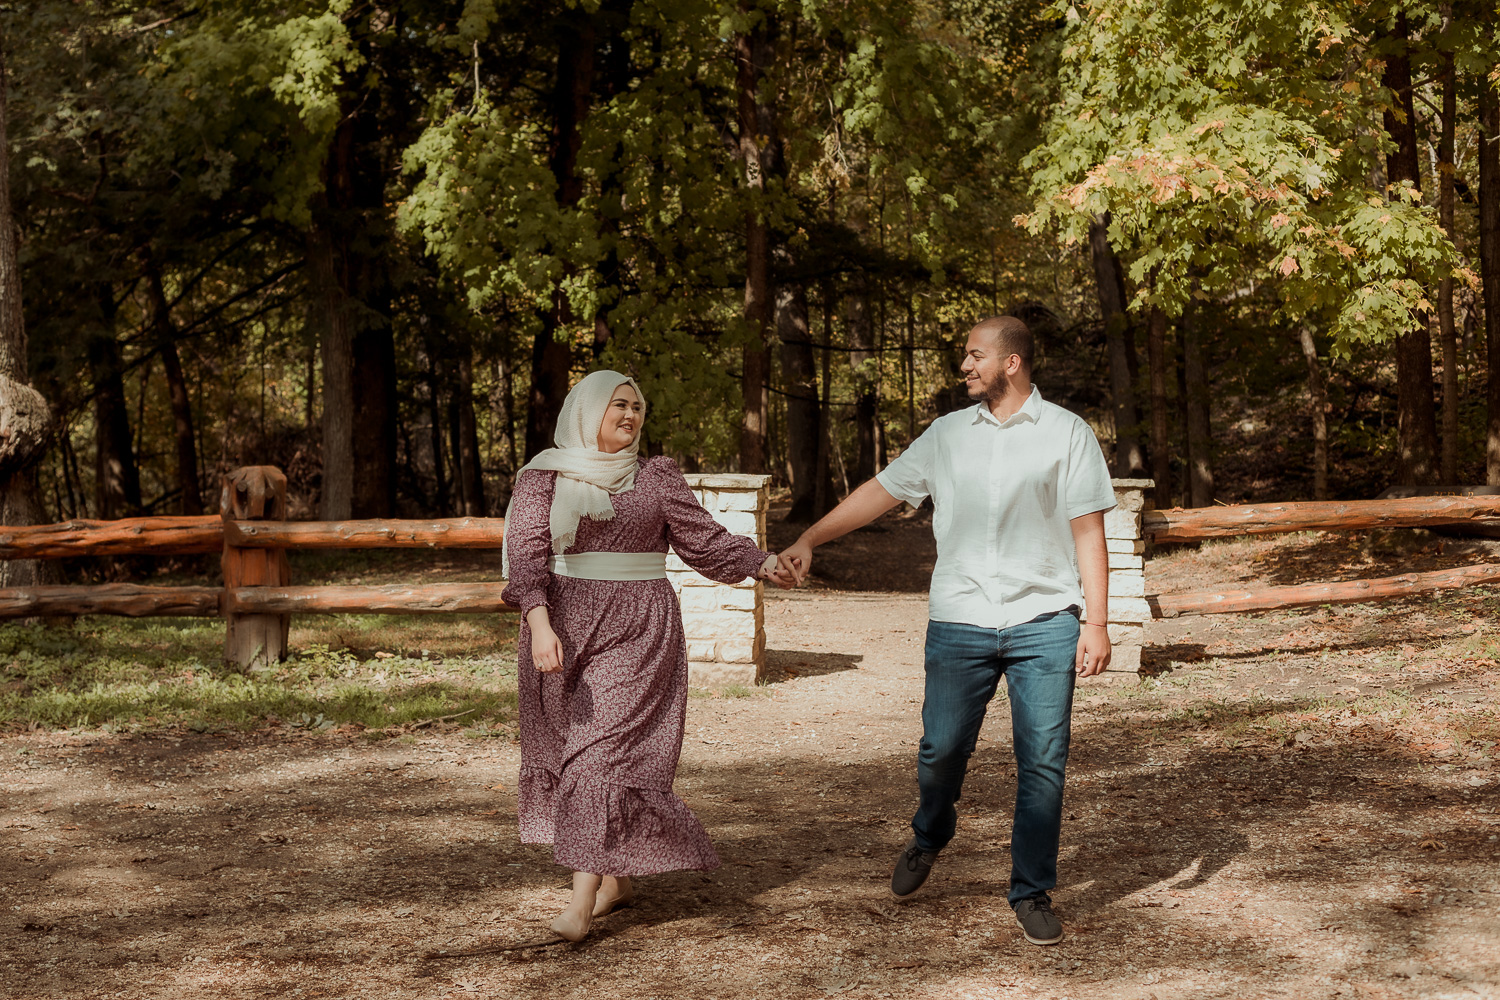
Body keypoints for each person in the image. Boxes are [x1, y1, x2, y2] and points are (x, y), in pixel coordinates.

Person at [780, 316, 1117, 947]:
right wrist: (809, 538)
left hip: (1044, 621)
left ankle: (1031, 888)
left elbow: (1088, 532)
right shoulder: (946, 435)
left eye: (974, 356)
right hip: (960, 619)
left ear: (1011, 363)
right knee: (939, 752)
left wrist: (1096, 622)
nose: (964, 366)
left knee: (1043, 762)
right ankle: (931, 834)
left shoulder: (1068, 434)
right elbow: (880, 492)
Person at [501, 370, 793, 942]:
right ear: (587, 412)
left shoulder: (656, 477)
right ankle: (616, 881)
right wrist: (538, 623)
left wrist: (761, 562)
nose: (631, 416)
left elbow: (704, 542)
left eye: (637, 407)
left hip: (640, 632)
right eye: (618, 405)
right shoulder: (544, 477)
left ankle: (579, 905)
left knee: (598, 758)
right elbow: (527, 554)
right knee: (572, 751)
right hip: (561, 626)